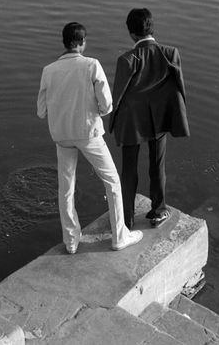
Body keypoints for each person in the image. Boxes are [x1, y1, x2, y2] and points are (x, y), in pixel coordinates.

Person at [37, 21, 143, 254]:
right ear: (80, 43)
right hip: (88, 134)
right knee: (112, 182)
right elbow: (106, 106)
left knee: (66, 188)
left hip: (62, 136)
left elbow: (41, 110)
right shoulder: (91, 65)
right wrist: (95, 110)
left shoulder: (48, 70)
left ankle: (71, 241)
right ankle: (120, 237)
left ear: (65, 43)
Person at [109, 8, 190, 230]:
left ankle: (126, 219)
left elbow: (118, 96)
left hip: (132, 121)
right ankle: (158, 210)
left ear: (131, 33)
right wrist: (177, 116)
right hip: (160, 119)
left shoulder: (127, 59)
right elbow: (179, 88)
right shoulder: (170, 53)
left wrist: (113, 123)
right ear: (151, 28)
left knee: (128, 169)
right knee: (157, 164)